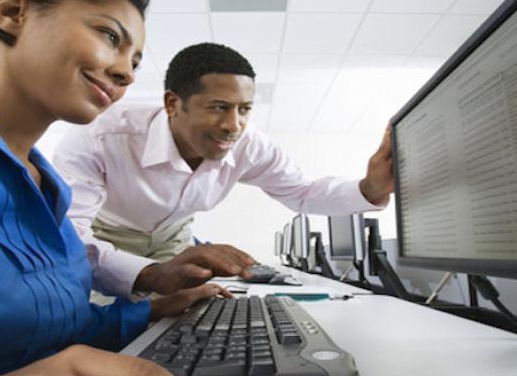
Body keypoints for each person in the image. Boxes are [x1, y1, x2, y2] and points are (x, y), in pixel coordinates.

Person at [0, 0, 239, 376]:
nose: (127, 73)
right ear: (11, 12)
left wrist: (154, 311)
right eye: (109, 36)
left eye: (135, 61)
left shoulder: (50, 192)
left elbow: (59, 329)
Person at [53, 42, 394, 299]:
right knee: (104, 321)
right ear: (173, 104)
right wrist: (151, 274)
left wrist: (369, 189)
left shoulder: (250, 144)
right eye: (219, 107)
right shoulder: (100, 136)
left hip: (174, 237)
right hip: (107, 237)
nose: (234, 126)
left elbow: (302, 194)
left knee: (179, 321)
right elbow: (70, 235)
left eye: (244, 109)